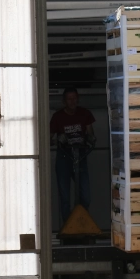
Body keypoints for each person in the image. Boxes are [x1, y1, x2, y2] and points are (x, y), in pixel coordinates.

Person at [50, 87, 96, 223]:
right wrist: (58, 140)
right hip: (64, 157)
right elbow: (47, 140)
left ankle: (82, 223)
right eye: (69, 99)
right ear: (64, 101)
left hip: (80, 156)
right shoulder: (57, 117)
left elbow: (91, 134)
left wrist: (90, 139)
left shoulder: (85, 114)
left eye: (74, 98)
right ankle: (67, 227)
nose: (72, 102)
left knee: (85, 196)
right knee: (65, 197)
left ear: (78, 99)